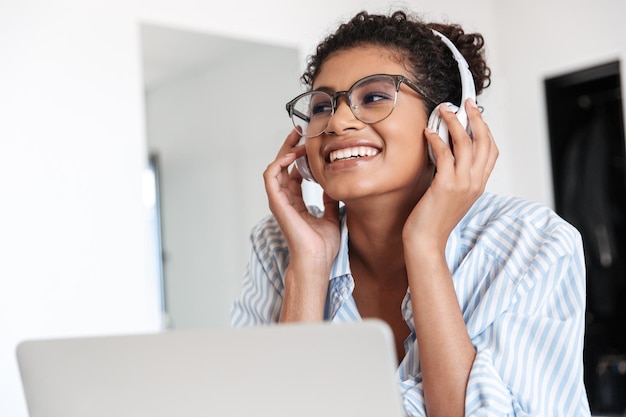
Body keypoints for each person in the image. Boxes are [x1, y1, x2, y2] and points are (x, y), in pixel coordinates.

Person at [231, 9, 591, 417]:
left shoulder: (533, 242)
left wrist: (424, 246)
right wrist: (308, 268)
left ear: (444, 124)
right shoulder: (279, 243)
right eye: (321, 106)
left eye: (375, 97)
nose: (338, 121)